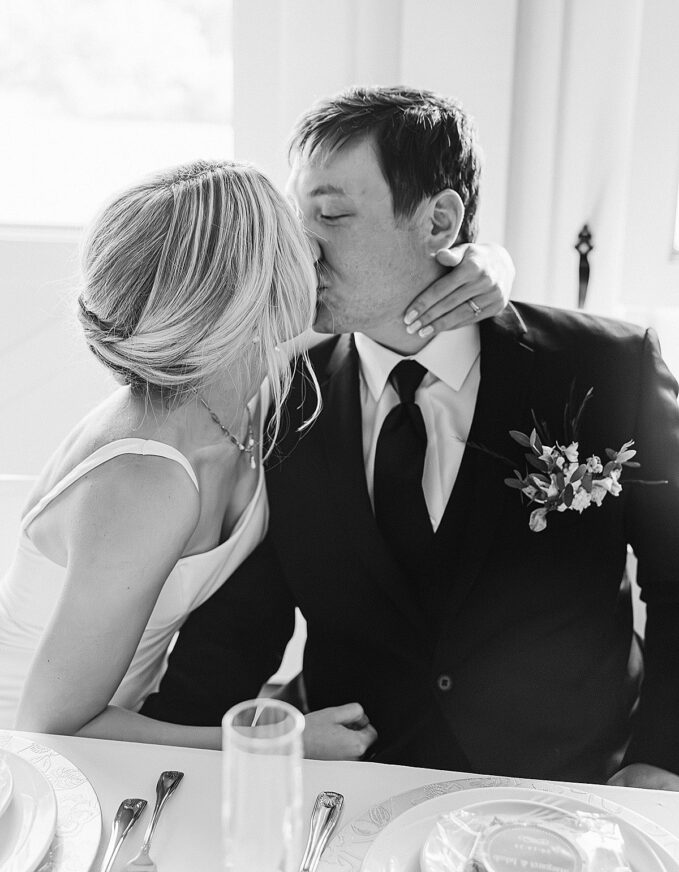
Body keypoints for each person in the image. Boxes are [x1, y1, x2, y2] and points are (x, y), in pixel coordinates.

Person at [143, 86, 679, 789]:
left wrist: (659, 760)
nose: (301, 246)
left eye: (331, 213)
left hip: (568, 789)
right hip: (358, 792)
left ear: (439, 221)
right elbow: (241, 627)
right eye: (295, 215)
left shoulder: (606, 369)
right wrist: (142, 757)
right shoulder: (282, 400)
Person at [0, 158, 511, 755]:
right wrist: (280, 744)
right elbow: (49, 728)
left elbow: (388, 303)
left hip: (131, 730)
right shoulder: (148, 478)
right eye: (293, 238)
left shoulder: (241, 376)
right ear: (243, 299)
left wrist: (489, 263)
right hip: (38, 772)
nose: (316, 252)